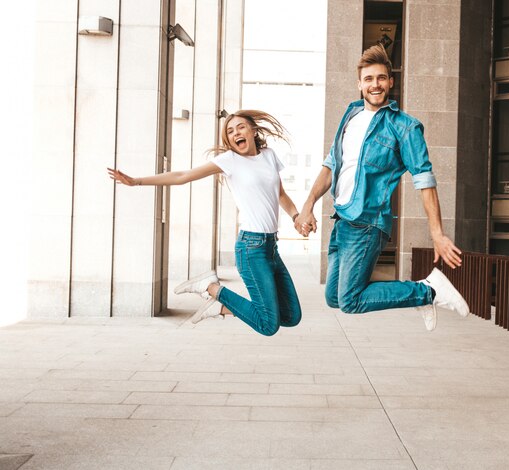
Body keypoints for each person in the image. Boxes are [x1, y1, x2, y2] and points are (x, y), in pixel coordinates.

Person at [295, 44, 469, 331]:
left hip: (367, 222)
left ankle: (428, 291)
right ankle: (422, 296)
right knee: (334, 298)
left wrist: (437, 233)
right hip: (341, 221)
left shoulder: (404, 126)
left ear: (390, 81)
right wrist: (308, 205)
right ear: (359, 84)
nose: (374, 85)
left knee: (350, 300)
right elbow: (331, 165)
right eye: (368, 79)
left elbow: (424, 179)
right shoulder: (350, 115)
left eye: (380, 78)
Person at [108, 110, 302, 336]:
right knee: (268, 325)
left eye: (240, 127)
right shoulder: (230, 160)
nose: (235, 133)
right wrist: (137, 181)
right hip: (251, 249)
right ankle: (211, 288)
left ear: (253, 130)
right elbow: (183, 176)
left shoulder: (269, 156)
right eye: (230, 131)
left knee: (291, 316)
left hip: (271, 247)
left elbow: (280, 195)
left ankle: (218, 307)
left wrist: (297, 216)